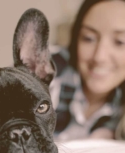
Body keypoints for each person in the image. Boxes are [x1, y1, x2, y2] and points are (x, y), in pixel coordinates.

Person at [50, 0, 125, 141]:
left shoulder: (119, 105)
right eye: (88, 38)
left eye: (120, 41)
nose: (99, 56)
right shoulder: (45, 69)